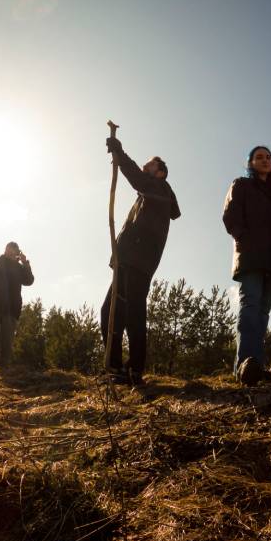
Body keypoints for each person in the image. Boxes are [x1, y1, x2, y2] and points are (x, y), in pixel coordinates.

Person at [102, 136, 181, 386]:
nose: (146, 166)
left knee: (132, 311)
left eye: (151, 164)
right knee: (112, 311)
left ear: (161, 173)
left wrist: (120, 153)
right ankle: (117, 368)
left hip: (139, 260)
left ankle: (133, 369)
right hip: (129, 259)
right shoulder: (148, 195)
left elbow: (137, 178)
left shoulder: (160, 189)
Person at [222, 145, 271, 385]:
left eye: (268, 157)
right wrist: (244, 238)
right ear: (251, 163)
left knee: (263, 314)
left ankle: (257, 368)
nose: (265, 160)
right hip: (251, 258)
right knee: (250, 307)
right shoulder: (241, 185)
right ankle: (245, 365)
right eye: (259, 157)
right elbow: (230, 216)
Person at [0, 242, 34, 368]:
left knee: (7, 342)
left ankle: (3, 370)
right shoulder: (0, 263)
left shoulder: (20, 269)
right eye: (8, 250)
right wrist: (2, 258)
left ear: (18, 253)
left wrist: (25, 263)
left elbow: (29, 280)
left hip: (12, 310)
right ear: (5, 251)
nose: (11, 253)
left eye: (13, 251)